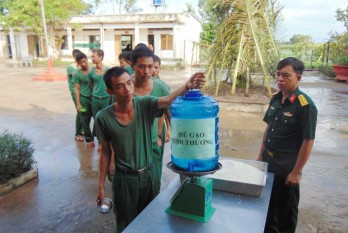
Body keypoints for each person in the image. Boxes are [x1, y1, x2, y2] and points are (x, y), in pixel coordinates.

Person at [95, 66, 205, 232]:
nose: (127, 89)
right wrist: (101, 185)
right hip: (124, 180)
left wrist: (187, 85)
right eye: (120, 86)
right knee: (126, 225)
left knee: (150, 220)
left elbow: (167, 99)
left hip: (149, 175)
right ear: (110, 91)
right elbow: (105, 152)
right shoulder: (103, 118)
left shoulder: (145, 104)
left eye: (129, 83)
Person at [256, 57, 318, 233]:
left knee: (286, 214)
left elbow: (308, 140)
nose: (280, 79)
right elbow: (268, 128)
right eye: (278, 74)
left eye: (286, 75)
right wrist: (261, 155)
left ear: (298, 78)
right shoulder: (275, 99)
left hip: (287, 169)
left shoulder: (305, 106)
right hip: (269, 163)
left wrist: (296, 172)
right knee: (268, 209)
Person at [131, 47, 171, 193]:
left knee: (153, 182)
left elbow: (169, 114)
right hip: (130, 144)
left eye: (150, 66)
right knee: (132, 184)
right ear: (132, 66)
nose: (147, 71)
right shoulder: (124, 88)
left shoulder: (160, 88)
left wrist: (166, 132)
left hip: (154, 141)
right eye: (141, 66)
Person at [89, 49, 110, 150]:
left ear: (100, 57)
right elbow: (91, 84)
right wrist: (95, 93)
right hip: (95, 99)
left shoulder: (108, 71)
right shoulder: (91, 71)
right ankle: (100, 142)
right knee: (97, 120)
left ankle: (107, 141)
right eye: (92, 56)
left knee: (106, 120)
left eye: (94, 56)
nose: (92, 58)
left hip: (106, 98)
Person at [73, 52, 95, 147]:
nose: (83, 64)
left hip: (94, 99)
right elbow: (77, 89)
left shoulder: (94, 71)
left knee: (98, 119)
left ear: (87, 59)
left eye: (84, 61)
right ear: (78, 63)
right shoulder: (77, 74)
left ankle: (101, 139)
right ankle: (89, 139)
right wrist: (78, 103)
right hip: (84, 99)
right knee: (85, 120)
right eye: (80, 62)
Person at [66, 49, 84, 142]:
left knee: (84, 112)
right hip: (75, 92)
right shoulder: (71, 67)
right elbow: (77, 77)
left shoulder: (81, 67)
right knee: (79, 111)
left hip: (83, 92)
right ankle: (78, 133)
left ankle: (82, 129)